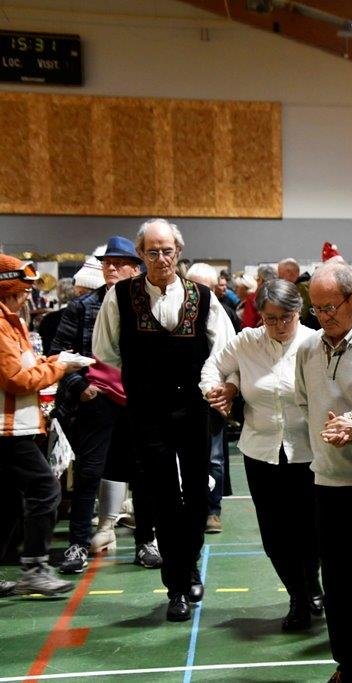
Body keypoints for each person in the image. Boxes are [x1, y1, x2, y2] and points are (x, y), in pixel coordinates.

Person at [92, 218, 236, 622]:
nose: (161, 258)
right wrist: (139, 381)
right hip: (147, 411)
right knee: (163, 497)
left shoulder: (202, 297)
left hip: (193, 409)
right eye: (152, 251)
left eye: (167, 250)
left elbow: (223, 350)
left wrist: (211, 387)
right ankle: (176, 586)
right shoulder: (120, 296)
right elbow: (105, 351)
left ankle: (189, 565)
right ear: (141, 254)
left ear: (179, 251)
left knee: (197, 494)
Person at [201, 278, 322, 631]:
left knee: (310, 531)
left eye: (286, 317)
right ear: (261, 316)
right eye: (270, 319)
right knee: (274, 534)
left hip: (309, 452)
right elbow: (212, 366)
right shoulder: (246, 342)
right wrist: (217, 390)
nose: (279, 326)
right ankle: (298, 596)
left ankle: (311, 583)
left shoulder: (315, 342)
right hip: (260, 453)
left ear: (299, 312)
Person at [51, 235, 162, 574]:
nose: (111, 268)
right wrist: (80, 386)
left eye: (120, 263)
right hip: (97, 400)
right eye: (107, 263)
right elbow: (58, 354)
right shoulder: (82, 307)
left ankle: (146, 542)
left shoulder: (152, 304)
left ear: (135, 269)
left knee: (144, 474)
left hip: (140, 402)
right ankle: (77, 545)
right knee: (89, 474)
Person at [293, 262, 352, 683]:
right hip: (327, 482)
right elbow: (305, 403)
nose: (324, 316)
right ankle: (350, 667)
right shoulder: (307, 349)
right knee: (337, 584)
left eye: (331, 307)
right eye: (317, 309)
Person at [0, 254, 90, 596]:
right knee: (46, 489)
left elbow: (28, 364)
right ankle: (35, 568)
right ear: (8, 290)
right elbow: (17, 379)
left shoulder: (14, 323)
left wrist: (56, 360)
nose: (28, 297)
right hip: (7, 429)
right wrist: (61, 368)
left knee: (9, 503)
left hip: (17, 425)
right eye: (24, 291)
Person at [187, 262, 233, 535]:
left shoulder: (224, 315)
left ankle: (213, 511)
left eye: (205, 287)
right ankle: (191, 508)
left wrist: (227, 391)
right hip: (182, 397)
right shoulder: (178, 313)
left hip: (213, 397)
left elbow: (232, 357)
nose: (199, 292)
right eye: (194, 286)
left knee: (214, 457)